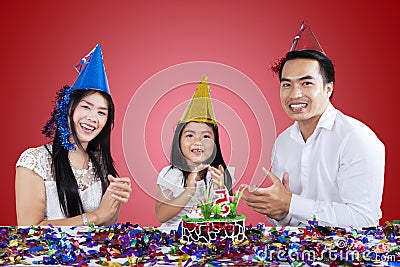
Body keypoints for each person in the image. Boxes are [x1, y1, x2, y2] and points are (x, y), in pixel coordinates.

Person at [242, 22, 385, 228]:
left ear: (328, 88)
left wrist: (291, 203)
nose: (295, 94)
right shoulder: (283, 142)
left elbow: (363, 220)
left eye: (306, 83)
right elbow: (289, 220)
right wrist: (277, 211)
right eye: (286, 84)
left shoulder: (356, 138)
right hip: (296, 257)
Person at [15, 44, 132, 226]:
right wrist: (95, 216)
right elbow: (29, 229)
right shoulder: (34, 161)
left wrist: (114, 203)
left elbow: (107, 225)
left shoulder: (100, 162)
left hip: (93, 254)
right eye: (86, 107)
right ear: (68, 109)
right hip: (47, 254)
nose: (93, 118)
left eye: (102, 112)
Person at [155, 76, 233, 233]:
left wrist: (220, 189)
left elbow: (228, 217)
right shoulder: (171, 174)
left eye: (206, 136)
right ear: (179, 140)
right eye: (190, 135)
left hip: (209, 238)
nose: (198, 141)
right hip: (172, 235)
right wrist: (188, 190)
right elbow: (161, 215)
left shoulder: (219, 174)